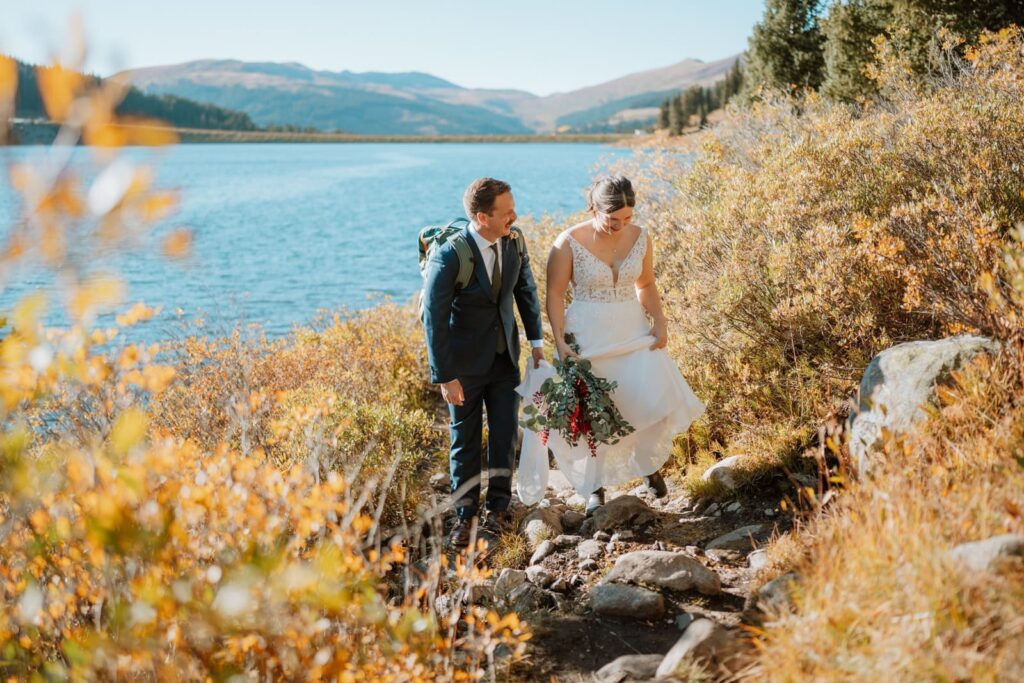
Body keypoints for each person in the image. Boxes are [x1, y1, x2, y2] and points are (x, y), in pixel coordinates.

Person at [545, 175, 705, 514]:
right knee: (596, 411)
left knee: (649, 397)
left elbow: (645, 283)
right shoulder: (568, 241)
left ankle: (646, 462)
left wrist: (659, 321)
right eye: (612, 220)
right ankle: (595, 488)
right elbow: (555, 293)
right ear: (594, 208)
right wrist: (559, 340)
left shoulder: (641, 237)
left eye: (628, 219)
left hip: (632, 330)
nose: (621, 226)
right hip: (589, 335)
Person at [422, 177, 545, 547]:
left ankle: (499, 507)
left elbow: (526, 290)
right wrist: (445, 377)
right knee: (465, 440)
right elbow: (434, 318)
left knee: (506, 434)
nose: (515, 216)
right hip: (463, 367)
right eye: (507, 212)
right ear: (482, 216)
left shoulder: (514, 241)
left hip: (505, 356)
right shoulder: (450, 255)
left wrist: (536, 342)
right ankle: (465, 517)